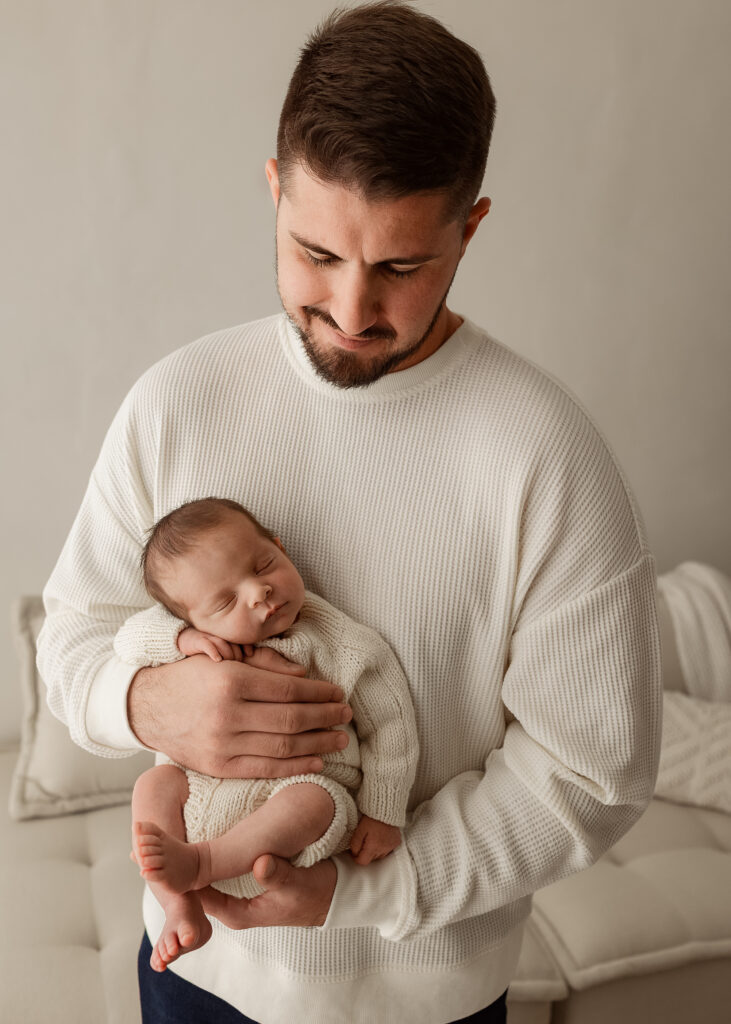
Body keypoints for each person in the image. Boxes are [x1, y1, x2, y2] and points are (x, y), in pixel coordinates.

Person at [37, 2, 661, 1022]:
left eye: (400, 267)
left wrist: (354, 889)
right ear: (273, 188)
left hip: (431, 1003)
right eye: (315, 255)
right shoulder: (176, 401)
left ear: (470, 226)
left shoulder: (547, 453)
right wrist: (150, 700)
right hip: (193, 982)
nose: (351, 310)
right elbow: (72, 641)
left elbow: (588, 770)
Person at [118, 496, 418, 974]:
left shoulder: (341, 643)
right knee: (152, 786)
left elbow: (390, 722)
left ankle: (203, 864)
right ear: (192, 618)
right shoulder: (195, 640)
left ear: (282, 547)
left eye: (264, 565)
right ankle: (180, 906)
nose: (258, 593)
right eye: (225, 601)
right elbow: (126, 638)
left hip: (297, 809)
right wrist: (180, 640)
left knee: (313, 801)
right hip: (203, 797)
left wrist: (383, 810)